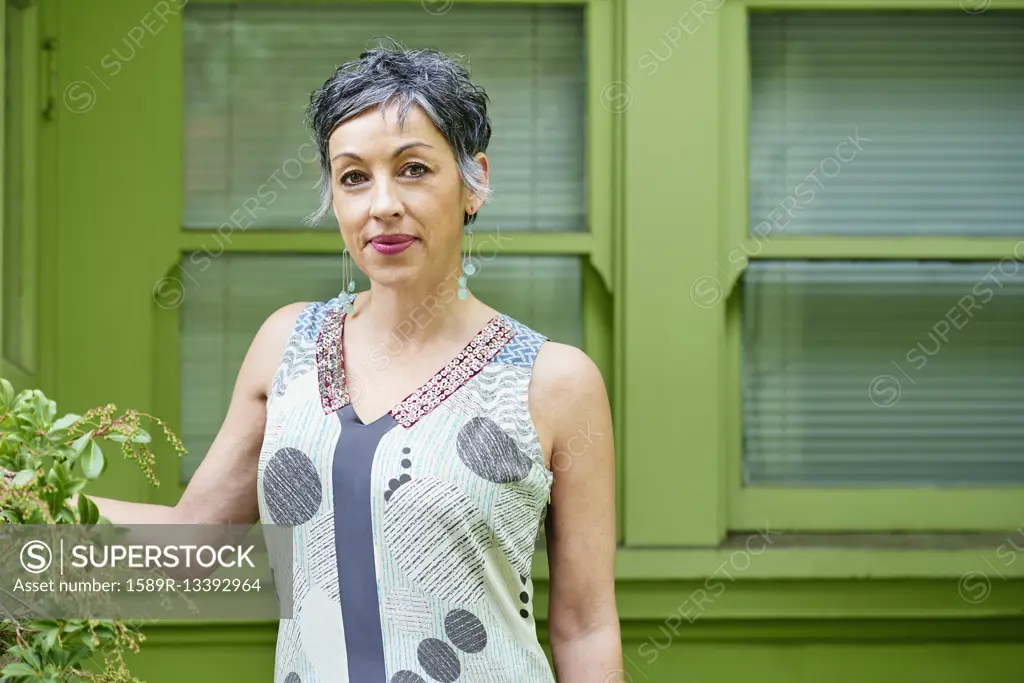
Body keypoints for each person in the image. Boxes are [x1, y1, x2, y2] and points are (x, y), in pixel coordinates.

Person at [90, 44, 620, 682]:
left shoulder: (553, 382)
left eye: (415, 169)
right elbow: (195, 543)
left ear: (474, 182)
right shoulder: (285, 347)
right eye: (353, 177)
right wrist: (27, 500)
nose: (383, 205)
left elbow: (584, 626)